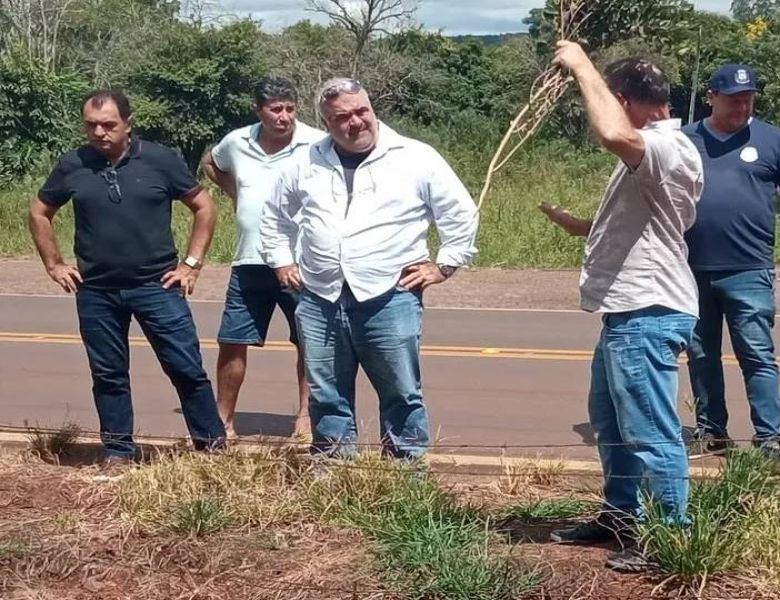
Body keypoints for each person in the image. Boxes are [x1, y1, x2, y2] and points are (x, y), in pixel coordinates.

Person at [538, 43, 704, 573]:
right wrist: (580, 227)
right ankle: (623, 516)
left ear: (626, 99)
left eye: (613, 97)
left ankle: (670, 538)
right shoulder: (655, 151)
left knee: (650, 431)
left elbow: (613, 134)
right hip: (629, 309)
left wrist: (582, 64)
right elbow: (644, 223)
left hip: (648, 310)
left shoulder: (664, 145)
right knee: (611, 424)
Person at [258, 78, 479, 461]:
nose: (356, 122)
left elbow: (460, 213)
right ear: (327, 123)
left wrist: (445, 264)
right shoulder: (305, 160)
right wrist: (281, 261)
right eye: (342, 117)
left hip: (390, 296)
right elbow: (274, 216)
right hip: (319, 297)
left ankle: (403, 473)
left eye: (362, 111)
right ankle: (334, 467)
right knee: (326, 393)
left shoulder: (415, 156)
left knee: (401, 392)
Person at [28, 89, 226, 467]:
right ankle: (118, 451)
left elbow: (204, 207)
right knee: (108, 375)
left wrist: (192, 264)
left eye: (109, 125)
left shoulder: (160, 160)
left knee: (185, 368)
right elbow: (40, 211)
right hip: (97, 290)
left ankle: (211, 448)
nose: (100, 133)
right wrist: (54, 263)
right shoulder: (74, 164)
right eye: (92, 126)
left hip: (157, 286)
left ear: (128, 123)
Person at [682, 64, 780, 465]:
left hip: (749, 270)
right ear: (711, 97)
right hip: (690, 269)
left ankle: (768, 441)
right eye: (734, 99)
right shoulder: (684, 141)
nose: (742, 106)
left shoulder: (773, 141)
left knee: (756, 356)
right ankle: (711, 432)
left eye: (748, 99)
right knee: (701, 355)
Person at [201, 78, 326, 441]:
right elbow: (212, 162)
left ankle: (305, 416)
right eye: (275, 109)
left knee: (309, 341)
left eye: (289, 108)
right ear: (259, 110)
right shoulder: (237, 142)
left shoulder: (316, 143)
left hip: (301, 262)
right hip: (249, 260)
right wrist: (234, 191)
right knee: (233, 339)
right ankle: (222, 420)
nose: (284, 116)